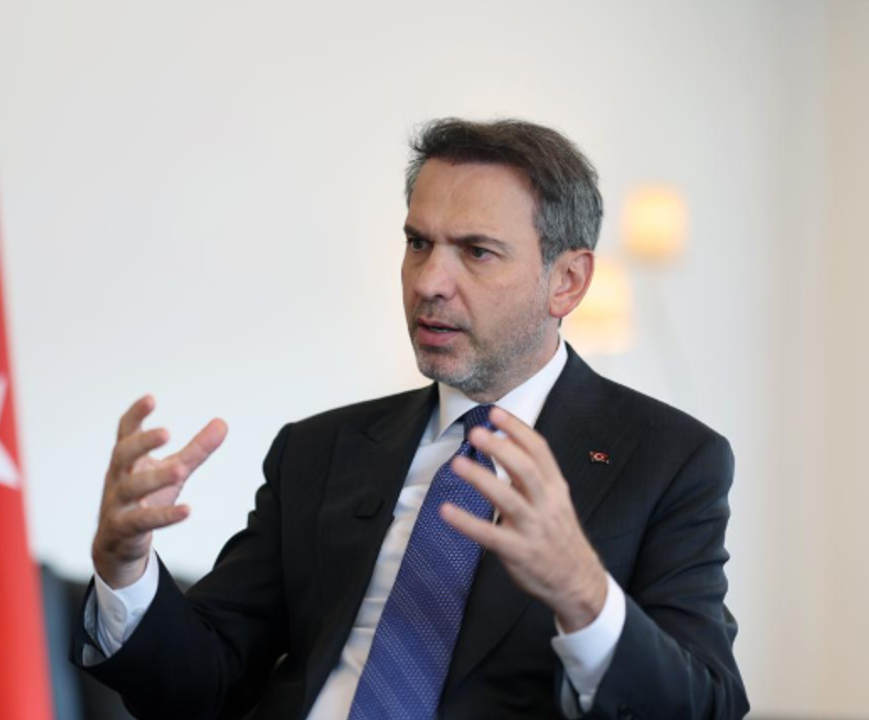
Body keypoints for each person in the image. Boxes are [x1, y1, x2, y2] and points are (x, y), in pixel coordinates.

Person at [70, 118, 748, 720]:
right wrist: (125, 569)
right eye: (418, 243)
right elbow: (203, 684)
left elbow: (704, 703)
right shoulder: (319, 450)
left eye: (476, 252)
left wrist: (583, 592)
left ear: (566, 281)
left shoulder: (667, 461)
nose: (428, 282)